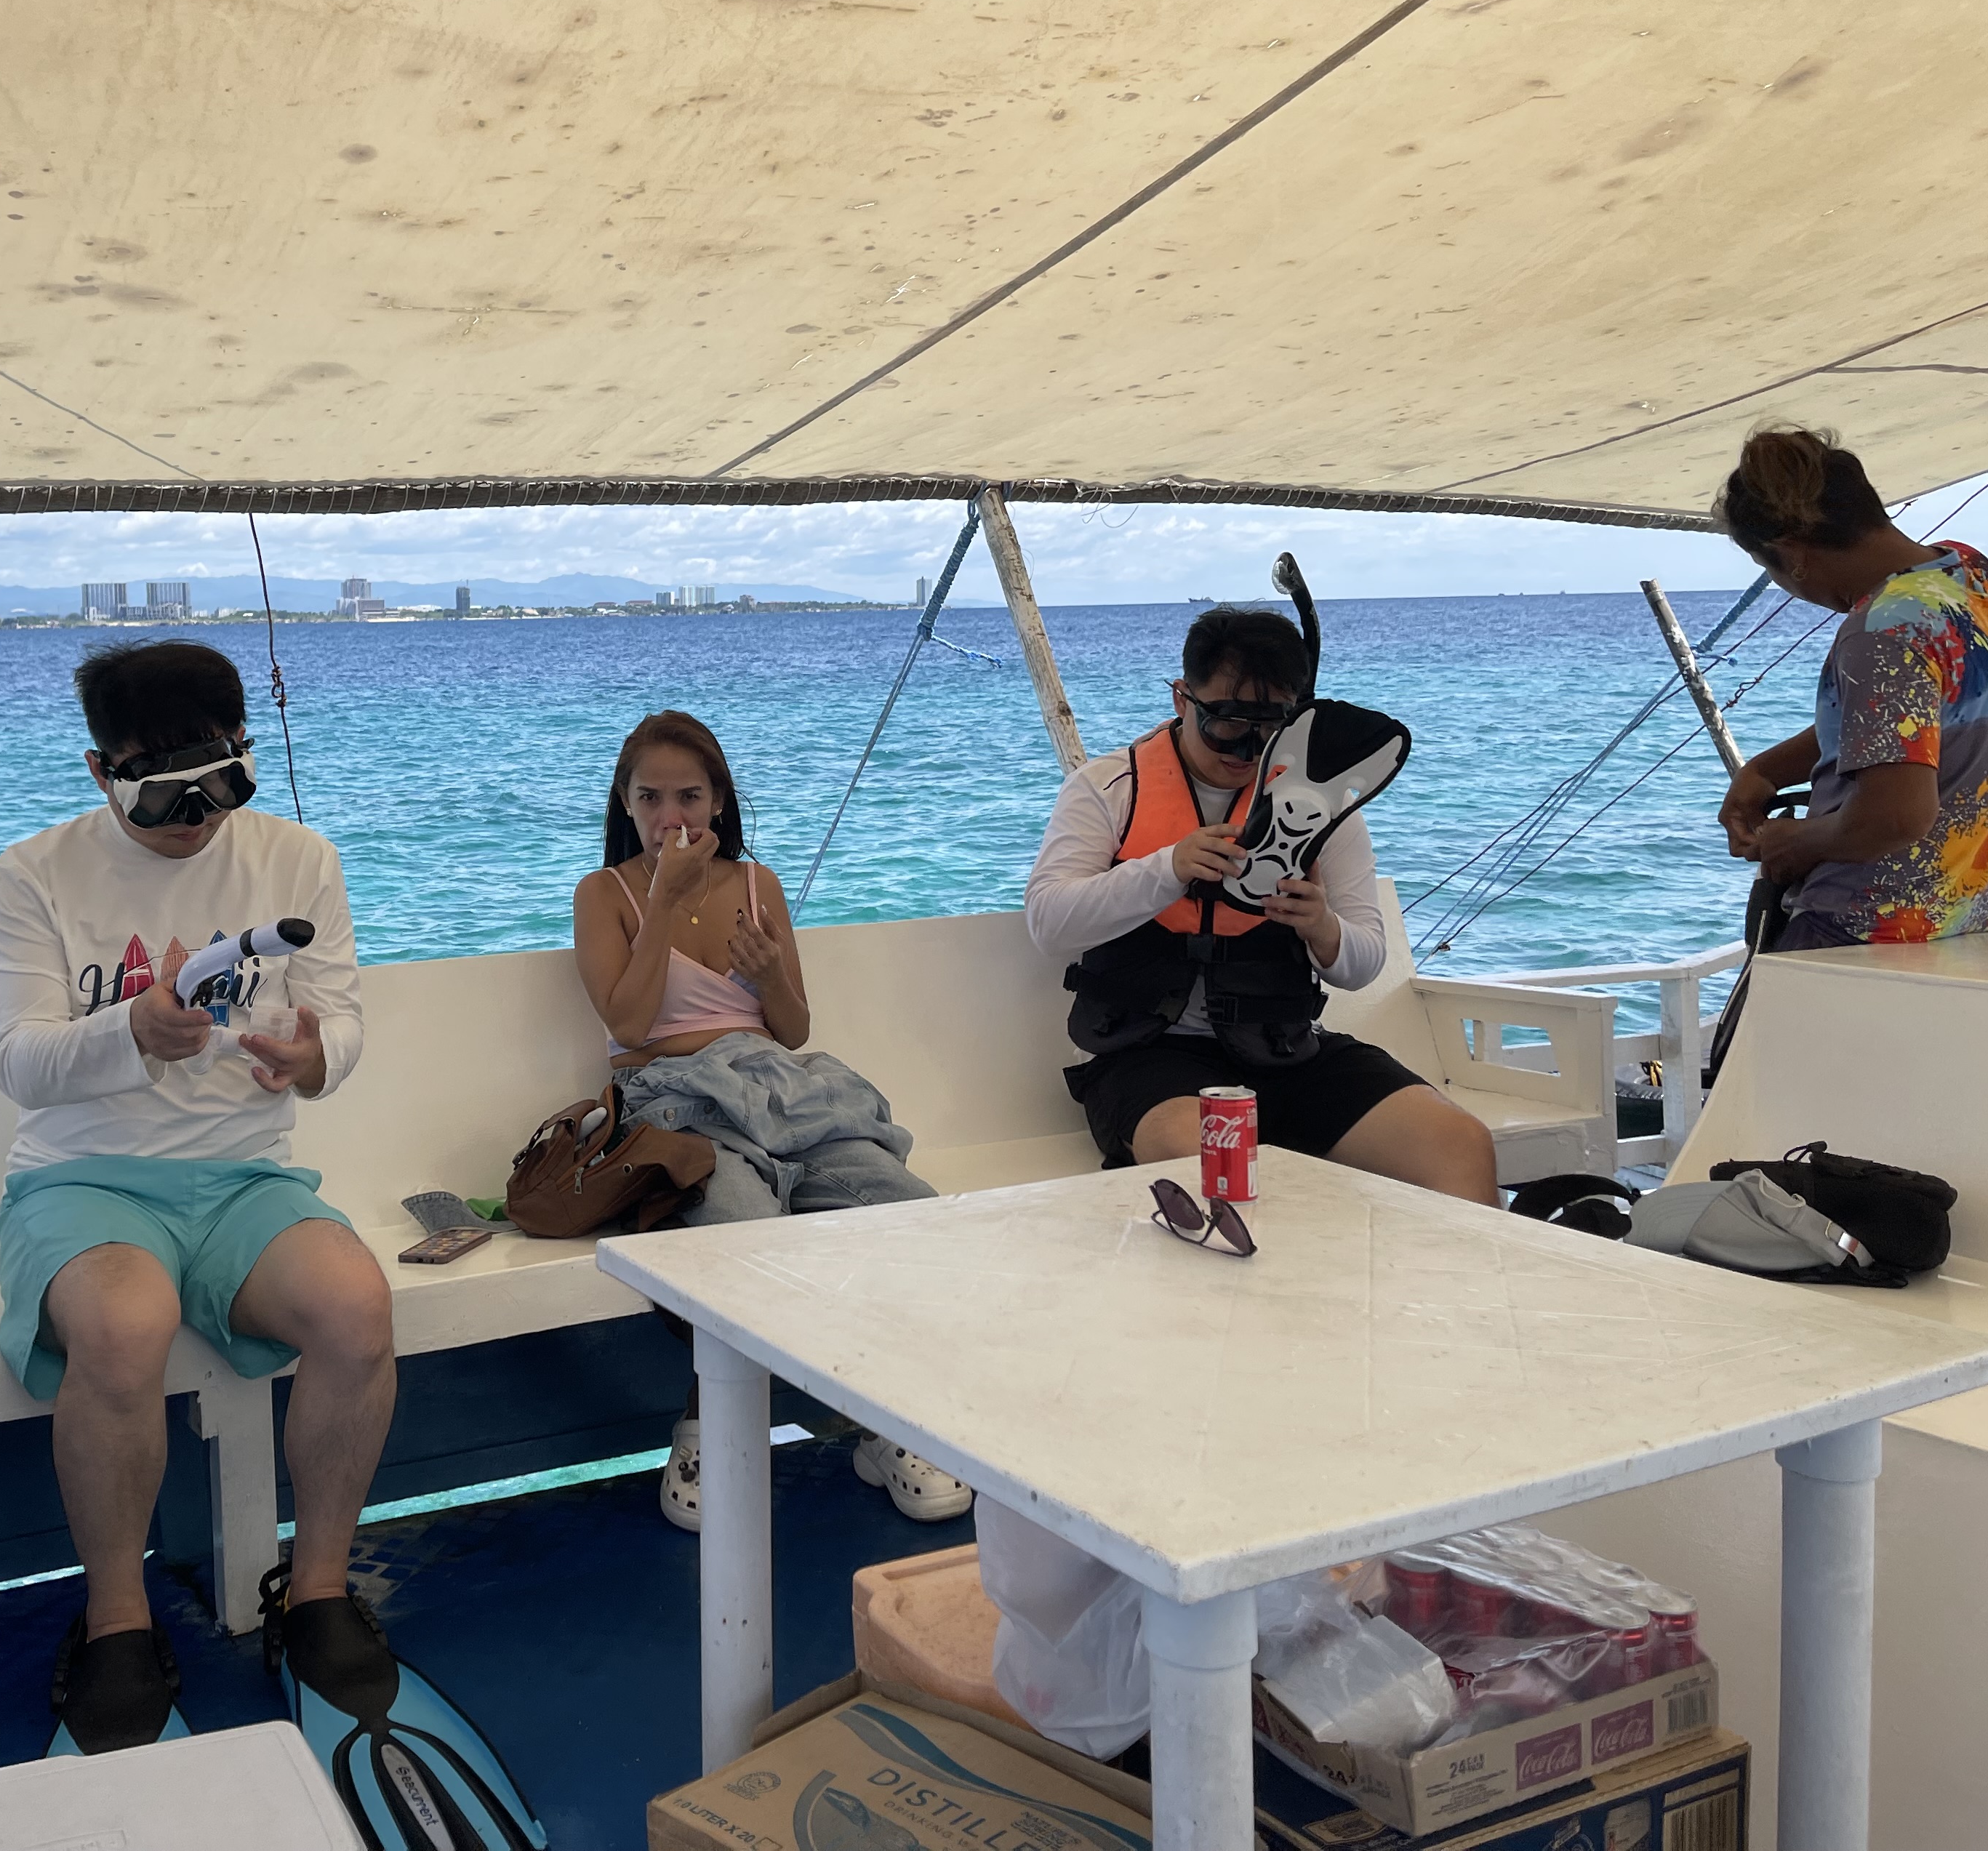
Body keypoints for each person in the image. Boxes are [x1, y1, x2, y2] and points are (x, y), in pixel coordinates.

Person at [0, 641, 390, 1754]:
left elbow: (342, 1018)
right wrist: (130, 1034)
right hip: (82, 1181)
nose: (196, 819)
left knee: (356, 1307)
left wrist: (316, 1057)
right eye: (161, 795)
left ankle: (316, 1590)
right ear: (99, 770)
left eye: (221, 784)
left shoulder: (298, 858)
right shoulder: (30, 875)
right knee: (124, 1321)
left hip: (246, 1177)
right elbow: (17, 1061)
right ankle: (118, 1617)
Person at [570, 710, 969, 1532]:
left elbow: (792, 1028)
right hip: (675, 1101)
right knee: (747, 1239)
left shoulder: (758, 885)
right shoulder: (604, 895)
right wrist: (663, 898)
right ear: (625, 802)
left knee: (913, 1215)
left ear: (718, 802)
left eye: (689, 797)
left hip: (783, 1092)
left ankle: (890, 1418)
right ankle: (710, 1426)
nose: (671, 818)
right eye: (651, 799)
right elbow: (630, 1024)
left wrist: (771, 977)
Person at [1026, 606, 1498, 1205]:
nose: (1247, 748)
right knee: (1213, 1155)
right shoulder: (1108, 788)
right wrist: (1167, 868)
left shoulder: (1324, 809)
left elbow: (1363, 964)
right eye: (1227, 721)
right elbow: (1049, 923)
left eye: (1271, 725)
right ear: (1182, 698)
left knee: (1461, 1144)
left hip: (1286, 1051)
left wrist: (1322, 926)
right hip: (1145, 1057)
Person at [1710, 425, 1988, 948]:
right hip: (1971, 924)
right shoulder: (1971, 573)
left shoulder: (1880, 631)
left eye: (1768, 568)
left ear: (1792, 553)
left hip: (1860, 934)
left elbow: (1895, 818)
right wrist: (1766, 772)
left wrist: (1795, 840)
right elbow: (1915, 722)